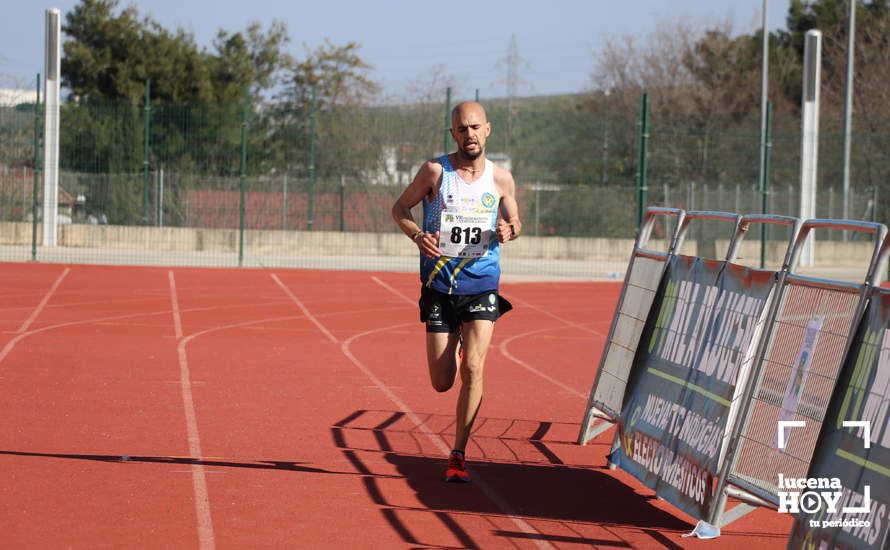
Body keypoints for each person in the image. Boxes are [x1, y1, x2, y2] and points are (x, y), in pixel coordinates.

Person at [391, 101, 522, 482]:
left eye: (476, 127)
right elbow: (399, 208)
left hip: (482, 283)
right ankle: (459, 346)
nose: (470, 135)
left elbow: (516, 220)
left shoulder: (501, 179)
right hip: (440, 286)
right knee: (442, 381)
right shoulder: (435, 171)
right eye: (463, 129)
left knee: (474, 367)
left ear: (488, 130)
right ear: (453, 134)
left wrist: (509, 229)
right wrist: (418, 236)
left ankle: (458, 453)